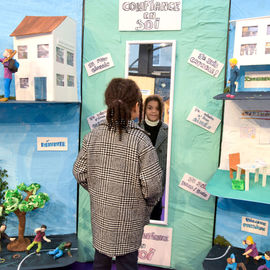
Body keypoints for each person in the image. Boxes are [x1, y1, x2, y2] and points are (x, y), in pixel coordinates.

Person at [73, 78, 162, 270]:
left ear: (108, 104)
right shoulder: (141, 141)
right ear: (137, 106)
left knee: (100, 262)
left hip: (101, 214)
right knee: (127, 264)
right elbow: (153, 187)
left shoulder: (93, 136)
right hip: (130, 217)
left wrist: (99, 190)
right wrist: (144, 205)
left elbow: (79, 171)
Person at [140, 94, 168, 220]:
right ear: (144, 109)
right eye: (150, 108)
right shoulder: (136, 129)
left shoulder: (167, 130)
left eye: (157, 108)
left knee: (155, 217)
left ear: (161, 111)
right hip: (139, 183)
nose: (153, 111)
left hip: (158, 183)